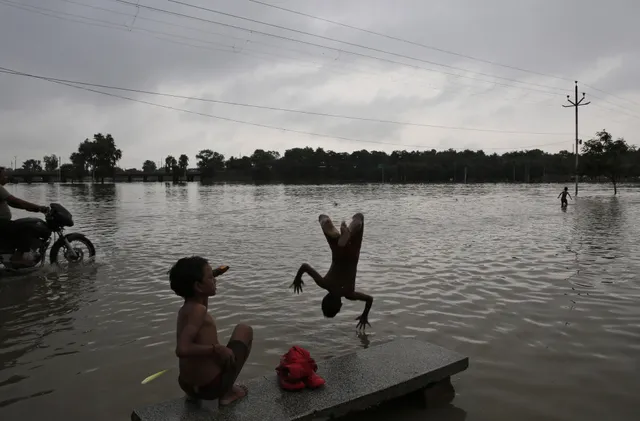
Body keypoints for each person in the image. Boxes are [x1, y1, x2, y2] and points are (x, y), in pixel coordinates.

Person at [169, 256, 253, 407]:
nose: (215, 280)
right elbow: (182, 349)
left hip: (188, 386)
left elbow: (200, 298)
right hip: (210, 389)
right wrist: (217, 349)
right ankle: (227, 394)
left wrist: (211, 276)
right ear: (198, 286)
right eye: (210, 278)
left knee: (209, 340)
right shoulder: (198, 311)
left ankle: (196, 394)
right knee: (244, 330)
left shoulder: (188, 308)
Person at [291, 213, 373, 331]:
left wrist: (365, 315)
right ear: (325, 298)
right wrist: (297, 279)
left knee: (360, 218)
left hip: (352, 255)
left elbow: (370, 299)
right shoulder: (324, 283)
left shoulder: (349, 293)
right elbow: (305, 266)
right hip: (338, 252)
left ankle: (350, 230)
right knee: (322, 218)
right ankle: (333, 229)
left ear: (339, 306)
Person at [0, 166, 49, 266]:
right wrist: (39, 207)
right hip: (2, 223)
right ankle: (18, 257)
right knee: (27, 228)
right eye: (4, 175)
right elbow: (15, 201)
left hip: (3, 222)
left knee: (21, 224)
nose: (7, 177)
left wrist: (33, 209)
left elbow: (14, 204)